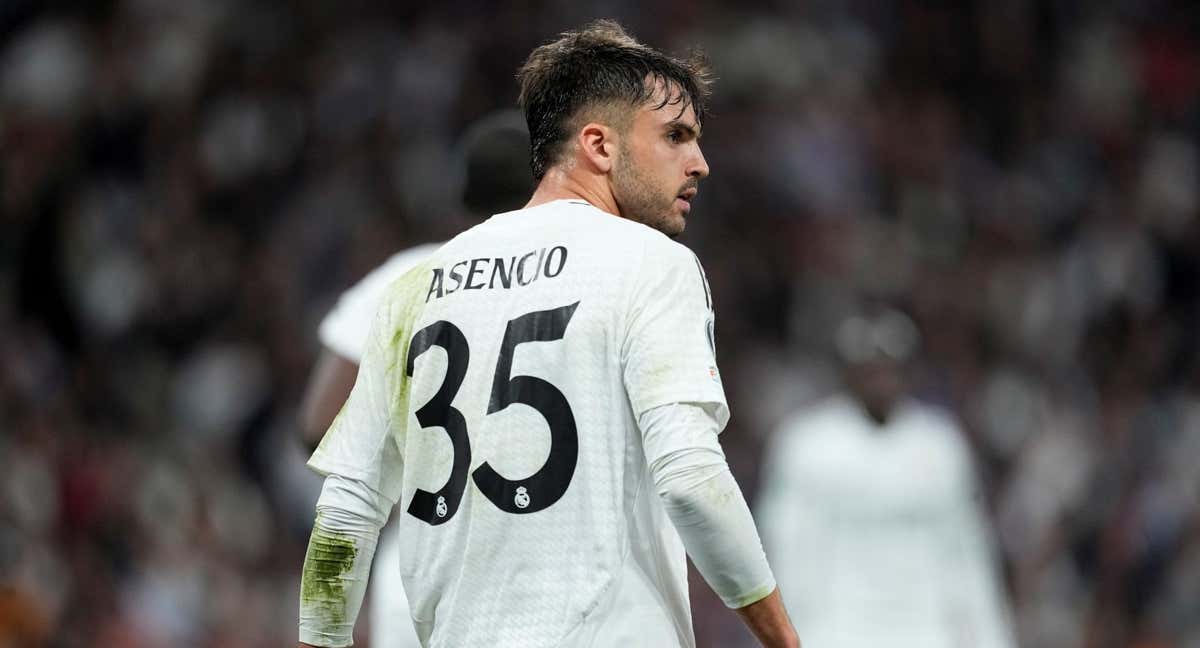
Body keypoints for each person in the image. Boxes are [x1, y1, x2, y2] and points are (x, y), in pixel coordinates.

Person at [297, 19, 798, 648]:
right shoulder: (649, 263)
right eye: (675, 136)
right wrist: (784, 639)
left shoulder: (413, 287)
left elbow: (344, 516)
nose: (699, 162)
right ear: (599, 145)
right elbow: (693, 481)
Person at [298, 110, 532, 648]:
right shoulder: (576, 285)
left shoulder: (407, 278)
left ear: (461, 198)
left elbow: (317, 426)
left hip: (418, 570)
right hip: (533, 573)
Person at [756, 309, 1015, 648]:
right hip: (835, 629)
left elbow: (968, 558)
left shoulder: (939, 445)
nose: (881, 378)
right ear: (847, 369)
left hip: (927, 630)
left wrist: (991, 637)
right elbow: (784, 553)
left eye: (891, 366)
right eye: (870, 367)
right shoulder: (807, 444)